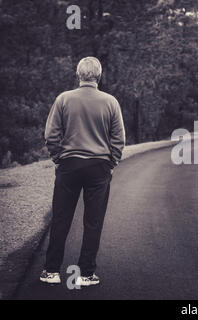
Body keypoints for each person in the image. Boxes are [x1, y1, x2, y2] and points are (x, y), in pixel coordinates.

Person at [40, 57, 125, 286]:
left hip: (69, 165)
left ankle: (51, 271)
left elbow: (51, 135)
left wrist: (58, 158)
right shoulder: (110, 102)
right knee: (93, 221)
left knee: (61, 219)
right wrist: (111, 163)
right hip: (98, 168)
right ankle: (86, 274)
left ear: (79, 75)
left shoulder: (64, 99)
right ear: (99, 76)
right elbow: (119, 139)